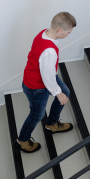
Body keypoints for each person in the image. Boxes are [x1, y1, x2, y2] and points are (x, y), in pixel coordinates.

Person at [15, 12, 77, 153]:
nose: (69, 35)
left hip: (38, 77)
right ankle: (22, 140)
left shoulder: (44, 33)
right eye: (68, 32)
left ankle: (52, 123)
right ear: (59, 30)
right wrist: (57, 93)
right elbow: (47, 76)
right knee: (37, 115)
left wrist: (60, 92)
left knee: (65, 91)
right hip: (36, 86)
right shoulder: (49, 51)